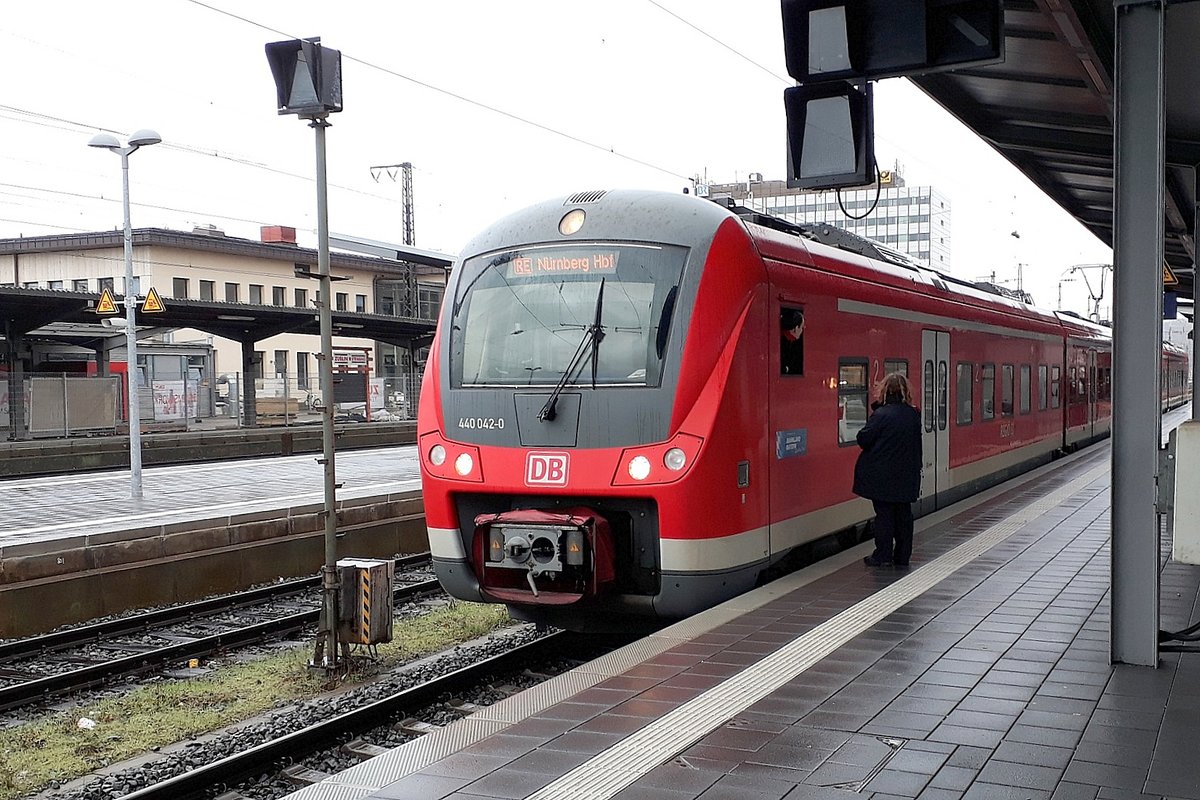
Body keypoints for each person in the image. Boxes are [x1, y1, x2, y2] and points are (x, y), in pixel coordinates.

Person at [853, 372, 922, 568]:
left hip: (882, 477)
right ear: (905, 391)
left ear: (884, 391)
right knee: (904, 517)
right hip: (907, 476)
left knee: (884, 516)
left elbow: (863, 439)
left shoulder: (881, 415)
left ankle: (882, 555)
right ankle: (902, 556)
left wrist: (877, 409)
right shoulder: (913, 415)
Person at [780, 308, 805, 375]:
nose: (802, 331)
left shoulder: (789, 342)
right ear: (796, 328)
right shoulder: (782, 343)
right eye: (802, 328)